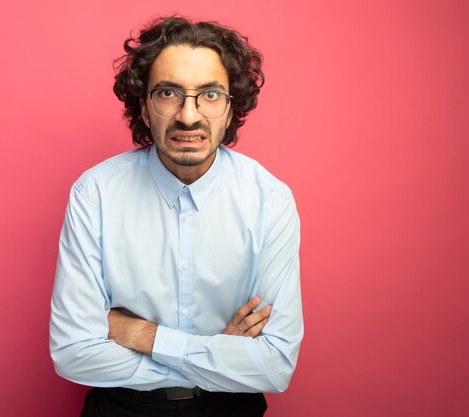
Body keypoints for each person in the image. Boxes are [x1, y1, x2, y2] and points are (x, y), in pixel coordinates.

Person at [50, 15, 303, 417]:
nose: (188, 115)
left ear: (232, 107)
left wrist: (140, 334)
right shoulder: (95, 194)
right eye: (168, 92)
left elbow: (274, 366)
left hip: (230, 410)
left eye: (210, 94)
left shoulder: (270, 200)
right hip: (120, 409)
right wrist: (217, 355)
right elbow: (73, 353)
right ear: (144, 108)